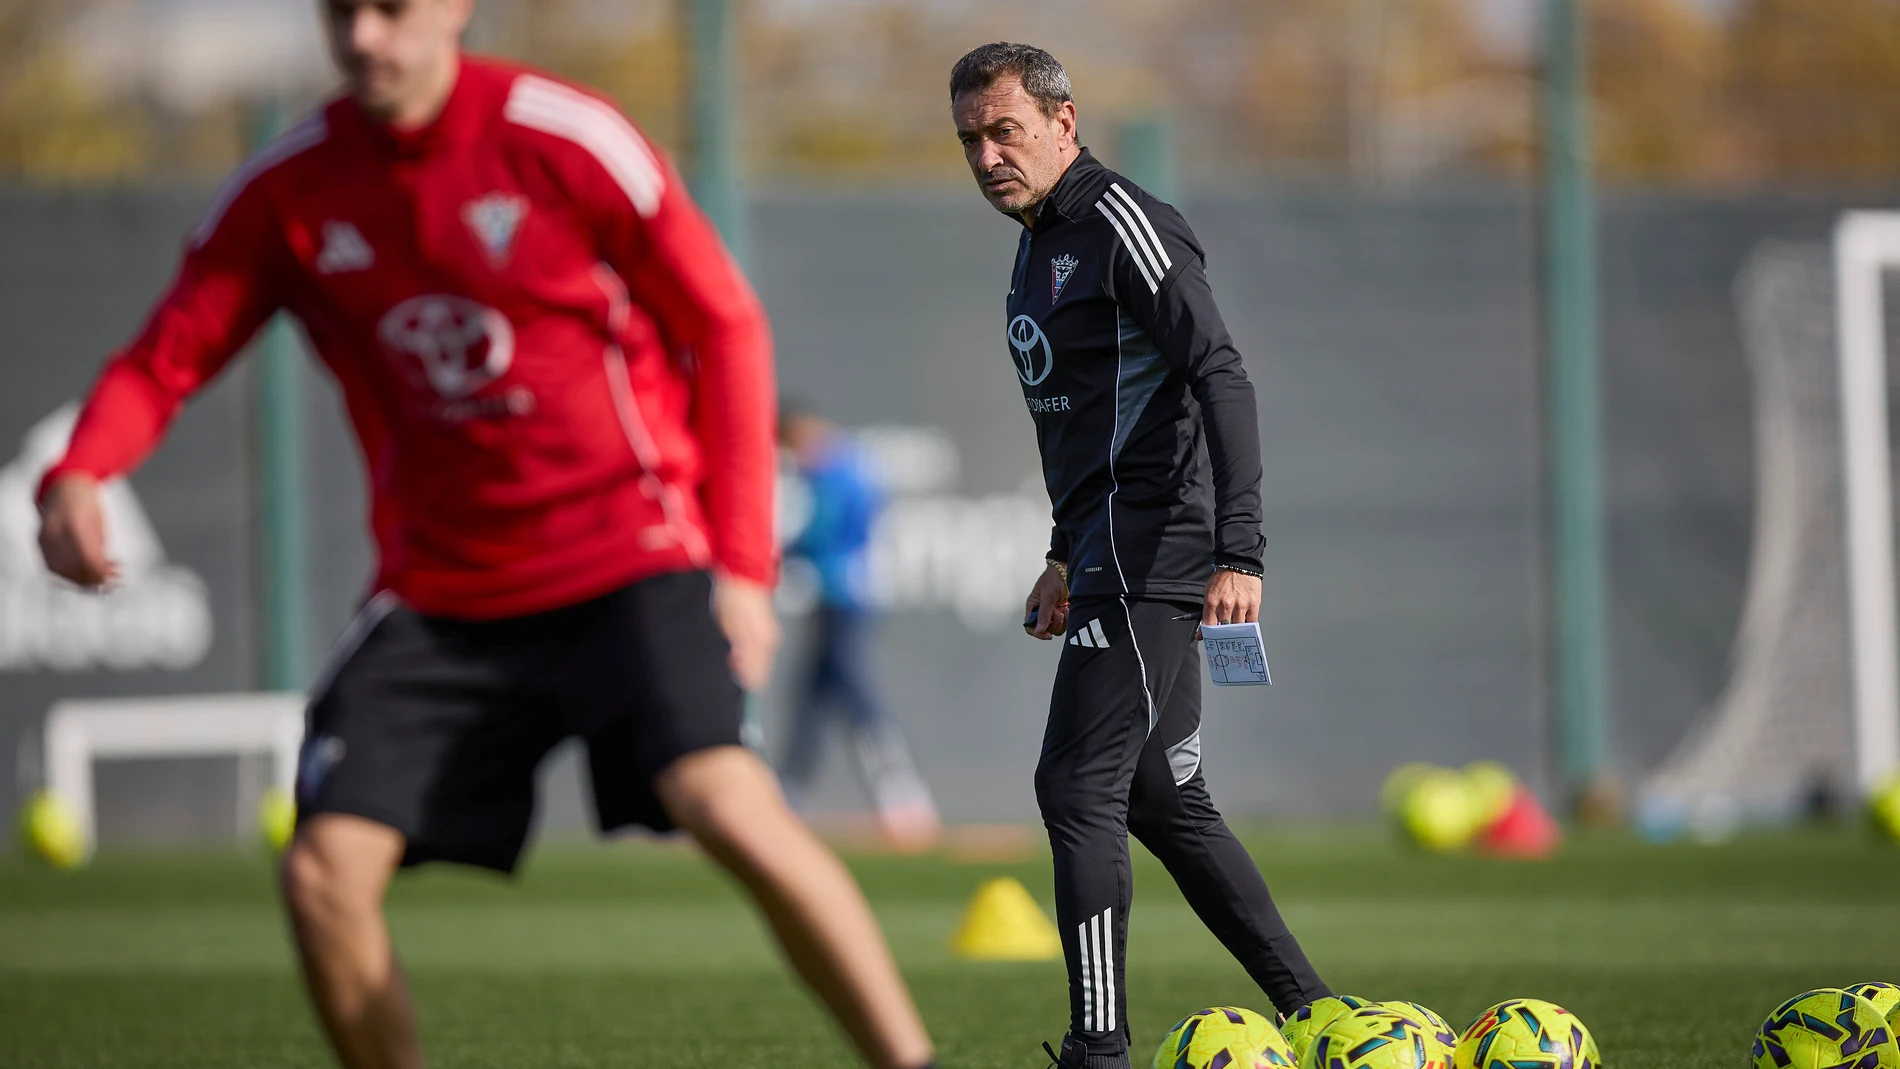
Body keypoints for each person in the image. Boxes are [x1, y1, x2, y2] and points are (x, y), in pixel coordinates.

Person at [34, 3, 935, 1068]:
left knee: (727, 803)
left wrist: (740, 567)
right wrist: (79, 471)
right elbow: (163, 359)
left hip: (629, 557)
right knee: (321, 870)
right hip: (442, 594)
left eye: (392, 9)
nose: (365, 37)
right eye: (341, 12)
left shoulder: (566, 138)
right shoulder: (289, 190)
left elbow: (723, 323)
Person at [947, 42, 1333, 1068]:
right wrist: (1061, 552)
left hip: (1158, 543)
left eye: (1005, 131)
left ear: (1063, 123)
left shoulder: (1124, 223)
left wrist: (1240, 549)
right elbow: (1084, 423)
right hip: (1105, 550)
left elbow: (1220, 375)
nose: (987, 156)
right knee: (1161, 793)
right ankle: (1318, 1013)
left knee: (1077, 786)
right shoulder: (1037, 243)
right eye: (970, 139)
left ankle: (1099, 1048)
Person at [778, 406, 940, 852]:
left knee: (856, 696)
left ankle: (902, 795)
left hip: (846, 599)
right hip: (839, 598)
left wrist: (782, 553)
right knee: (811, 698)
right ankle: (789, 793)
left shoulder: (837, 471)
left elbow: (824, 533)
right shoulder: (839, 468)